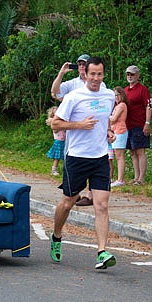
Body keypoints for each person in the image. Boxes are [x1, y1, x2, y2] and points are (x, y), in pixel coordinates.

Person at [50, 56, 117, 270]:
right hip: (77, 157)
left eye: (99, 74)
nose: (96, 78)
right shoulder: (74, 96)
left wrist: (108, 131)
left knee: (102, 205)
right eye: (92, 74)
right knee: (68, 203)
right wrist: (79, 124)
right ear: (85, 74)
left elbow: (105, 117)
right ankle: (57, 235)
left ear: (103, 74)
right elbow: (55, 124)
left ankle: (101, 252)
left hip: (99, 157)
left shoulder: (108, 96)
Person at [51, 54, 107, 207]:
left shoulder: (102, 87)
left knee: (102, 204)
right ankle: (73, 194)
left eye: (84, 64)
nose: (81, 67)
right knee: (68, 199)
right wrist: (61, 74)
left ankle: (90, 196)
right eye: (79, 64)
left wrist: (108, 130)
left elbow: (105, 112)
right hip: (76, 142)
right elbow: (55, 93)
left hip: (97, 143)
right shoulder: (73, 85)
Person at [124, 65, 150, 186]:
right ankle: (135, 177)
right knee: (132, 152)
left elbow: (149, 106)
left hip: (139, 124)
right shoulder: (125, 90)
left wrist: (147, 123)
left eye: (132, 74)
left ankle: (141, 178)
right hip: (127, 125)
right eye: (128, 74)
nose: (130, 76)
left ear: (137, 75)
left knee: (140, 151)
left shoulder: (143, 89)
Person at [109, 87, 128, 187]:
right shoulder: (118, 106)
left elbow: (114, 118)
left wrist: (106, 117)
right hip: (116, 131)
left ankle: (120, 180)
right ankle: (118, 179)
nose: (116, 97)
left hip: (120, 131)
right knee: (117, 156)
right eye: (114, 95)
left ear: (122, 95)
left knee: (120, 157)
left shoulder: (121, 105)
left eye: (117, 95)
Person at [45, 106, 66, 176]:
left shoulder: (62, 121)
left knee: (66, 156)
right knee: (57, 157)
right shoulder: (53, 122)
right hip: (59, 141)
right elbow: (55, 130)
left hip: (65, 141)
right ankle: (53, 170)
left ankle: (65, 170)